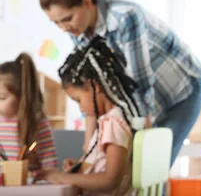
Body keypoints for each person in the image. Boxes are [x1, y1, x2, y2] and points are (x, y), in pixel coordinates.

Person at [40, 0, 201, 165]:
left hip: (180, 93)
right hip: (145, 100)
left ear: (86, 1)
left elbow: (139, 78)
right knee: (133, 166)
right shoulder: (79, 31)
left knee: (152, 167)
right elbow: (93, 86)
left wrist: (142, 126)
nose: (64, 28)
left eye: (67, 18)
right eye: (56, 23)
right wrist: (88, 147)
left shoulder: (125, 16)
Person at [37, 35, 141, 196]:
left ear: (96, 87)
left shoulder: (113, 123)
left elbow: (110, 180)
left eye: (78, 100)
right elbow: (104, 165)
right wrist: (82, 166)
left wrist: (64, 178)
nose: (81, 108)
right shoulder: (108, 121)